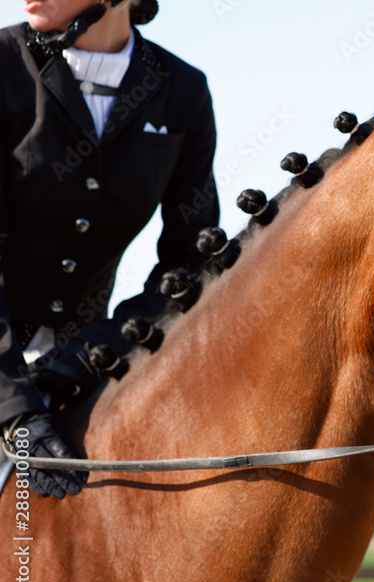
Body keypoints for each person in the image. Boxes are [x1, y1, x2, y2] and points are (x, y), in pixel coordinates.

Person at [0, 0, 219, 498]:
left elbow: (189, 261)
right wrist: (15, 409)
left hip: (82, 366)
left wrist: (96, 349)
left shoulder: (182, 91)